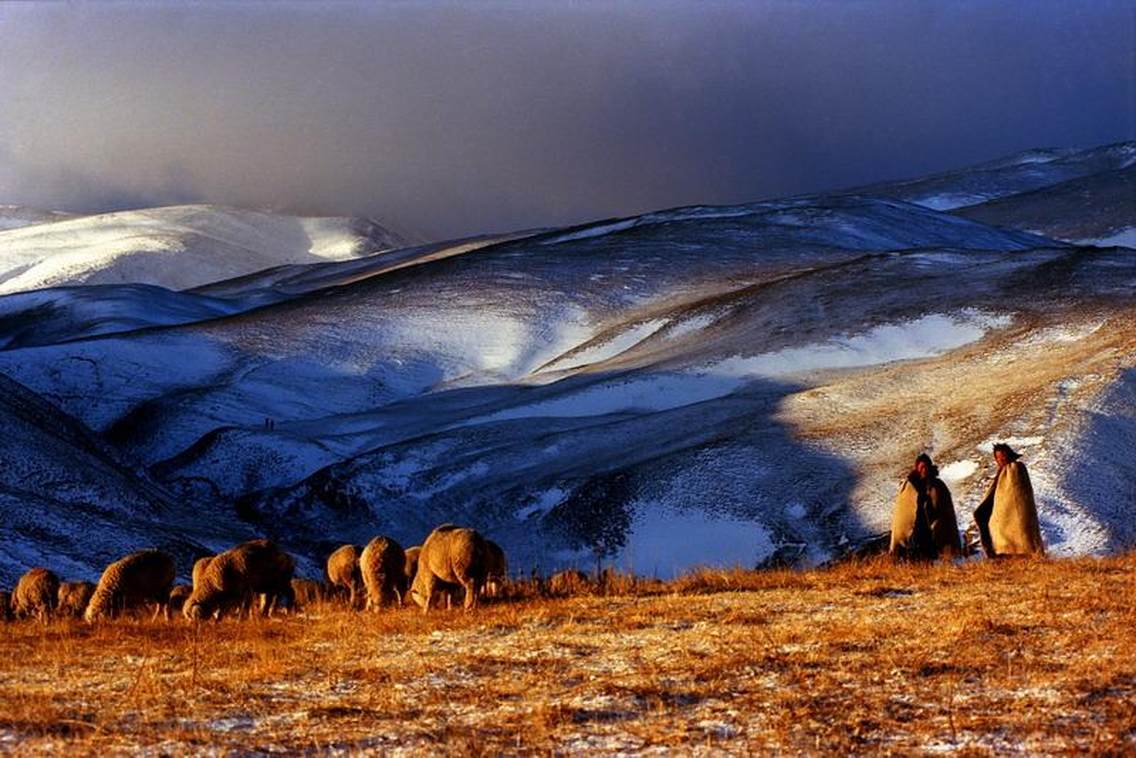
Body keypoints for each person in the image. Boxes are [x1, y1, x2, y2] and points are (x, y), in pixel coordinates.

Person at [973, 443, 1045, 558]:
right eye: (998, 458)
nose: (1001, 460)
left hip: (1010, 515)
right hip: (1000, 512)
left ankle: (1017, 551)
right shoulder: (1001, 472)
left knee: (1016, 530)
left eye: (1003, 457)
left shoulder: (1016, 468)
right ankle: (995, 553)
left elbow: (1017, 496)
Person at [889, 453, 962, 560]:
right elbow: (901, 510)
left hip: (930, 528)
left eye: (926, 466)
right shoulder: (909, 484)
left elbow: (945, 509)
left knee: (928, 558)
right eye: (921, 467)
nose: (924, 469)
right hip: (914, 528)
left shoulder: (937, 485)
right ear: (917, 468)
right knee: (913, 556)